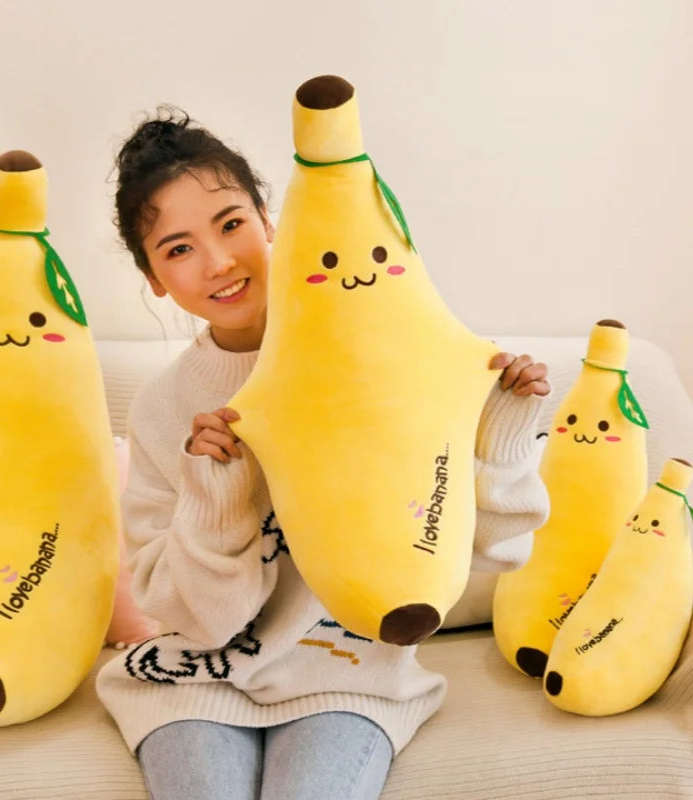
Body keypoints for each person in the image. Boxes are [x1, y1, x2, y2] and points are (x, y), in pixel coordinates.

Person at [96, 107, 551, 800]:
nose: (218, 262)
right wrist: (217, 497)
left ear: (269, 223)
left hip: (347, 674)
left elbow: (492, 550)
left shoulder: (379, 362)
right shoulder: (166, 410)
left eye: (230, 224)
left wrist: (501, 430)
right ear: (153, 277)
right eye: (178, 249)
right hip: (196, 679)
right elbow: (200, 620)